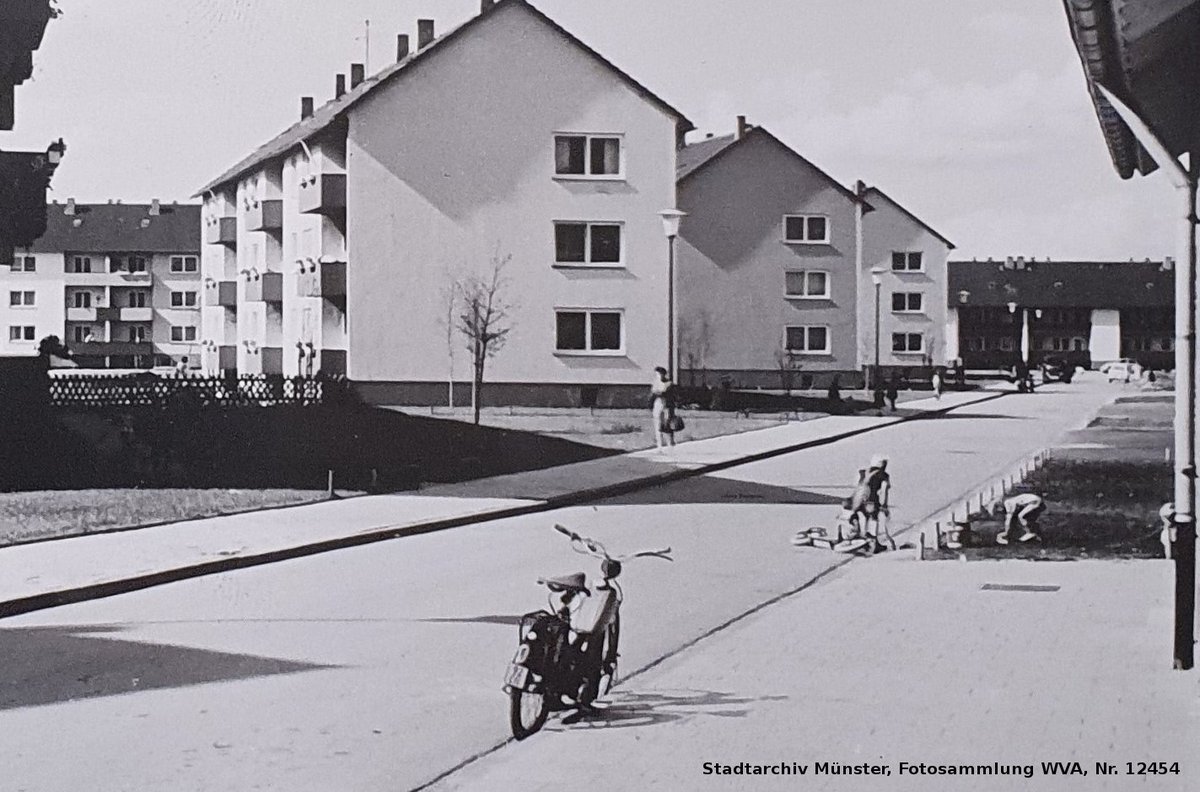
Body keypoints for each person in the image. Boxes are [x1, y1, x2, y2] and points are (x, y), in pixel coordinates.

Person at [847, 455, 894, 550]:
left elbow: (857, 487)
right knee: (873, 519)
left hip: (859, 501)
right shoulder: (883, 476)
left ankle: (861, 538)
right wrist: (884, 505)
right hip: (872, 502)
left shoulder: (863, 473)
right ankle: (874, 543)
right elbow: (884, 491)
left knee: (863, 518)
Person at [650, 366, 675, 450]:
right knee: (658, 424)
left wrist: (658, 392)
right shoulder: (655, 383)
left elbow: (664, 392)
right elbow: (653, 393)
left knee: (667, 424)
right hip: (658, 404)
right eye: (656, 374)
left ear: (663, 374)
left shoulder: (669, 383)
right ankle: (659, 444)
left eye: (659, 374)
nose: (658, 376)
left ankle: (670, 443)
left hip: (666, 405)